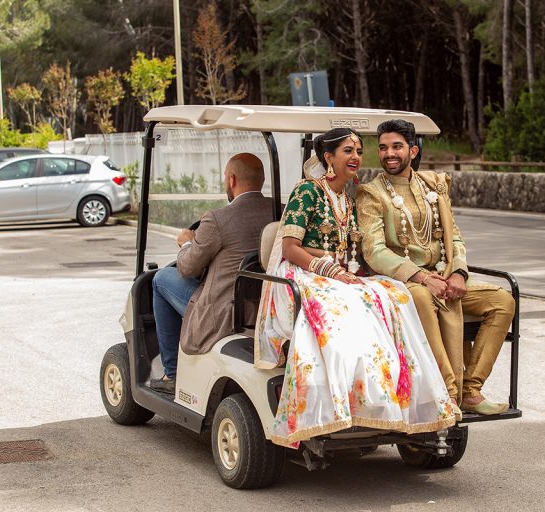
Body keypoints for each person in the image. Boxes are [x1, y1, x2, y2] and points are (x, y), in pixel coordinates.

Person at [254, 128, 455, 448]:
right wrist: (327, 266)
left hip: (339, 273)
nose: (356, 157)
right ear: (328, 158)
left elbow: (355, 251)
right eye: (348, 151)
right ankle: (338, 401)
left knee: (394, 295)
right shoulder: (306, 192)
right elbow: (291, 247)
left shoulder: (348, 198)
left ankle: (391, 395)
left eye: (359, 151)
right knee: (343, 304)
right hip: (301, 272)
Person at [356, 119, 515, 416]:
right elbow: (374, 251)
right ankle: (446, 392)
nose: (389, 153)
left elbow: (453, 235)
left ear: (413, 151)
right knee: (422, 298)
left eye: (397, 147)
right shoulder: (372, 193)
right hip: (405, 282)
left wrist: (458, 272)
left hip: (445, 276)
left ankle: (471, 390)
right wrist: (423, 277)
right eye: (383, 148)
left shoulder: (434, 186)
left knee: (502, 301)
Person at [150, 153, 274, 394]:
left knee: (160, 279)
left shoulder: (218, 219)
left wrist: (187, 243)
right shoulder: (277, 211)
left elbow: (187, 267)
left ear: (231, 180)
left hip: (224, 312)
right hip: (261, 305)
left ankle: (172, 374)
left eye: (225, 178)